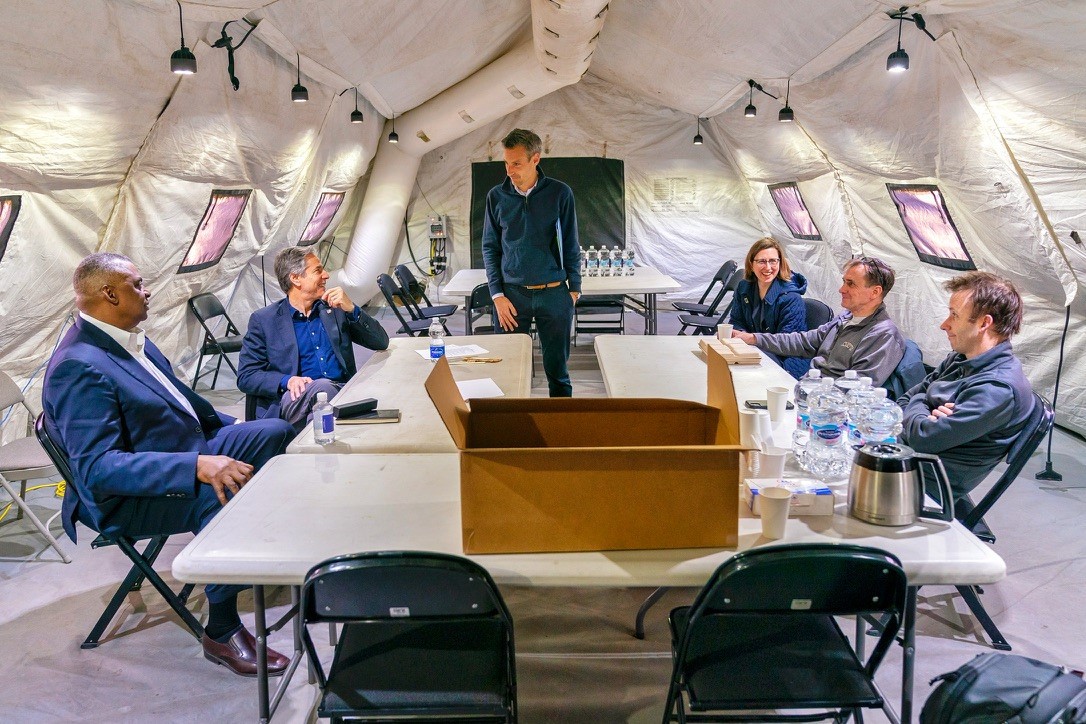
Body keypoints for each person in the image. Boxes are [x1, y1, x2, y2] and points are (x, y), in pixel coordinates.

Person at [43, 252, 296, 677]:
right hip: (123, 496)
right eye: (138, 285)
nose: (147, 291)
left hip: (181, 445)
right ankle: (222, 630)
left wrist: (232, 434)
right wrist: (197, 465)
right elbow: (99, 469)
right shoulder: (78, 366)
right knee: (217, 494)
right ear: (110, 294)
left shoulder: (126, 336)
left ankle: (254, 544)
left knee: (273, 432)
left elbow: (185, 402)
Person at [897, 271, 1034, 503]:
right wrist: (923, 405)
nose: (944, 324)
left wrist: (921, 399)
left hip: (922, 483)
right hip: (909, 457)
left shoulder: (997, 388)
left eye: (954, 315)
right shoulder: (961, 358)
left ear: (984, 323)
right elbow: (903, 399)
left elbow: (922, 437)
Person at [238, 247, 389, 426]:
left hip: (342, 391)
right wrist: (287, 381)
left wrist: (352, 309)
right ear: (295, 278)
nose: (326, 275)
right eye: (318, 270)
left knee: (320, 417)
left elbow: (380, 341)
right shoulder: (264, 320)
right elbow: (247, 376)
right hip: (295, 399)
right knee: (322, 388)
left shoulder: (335, 309)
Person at [482, 128, 581, 397]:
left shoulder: (560, 193)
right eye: (506, 163)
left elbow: (571, 242)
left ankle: (561, 431)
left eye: (517, 163)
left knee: (558, 373)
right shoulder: (496, 197)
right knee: (509, 371)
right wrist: (497, 295)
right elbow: (490, 248)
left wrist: (574, 289)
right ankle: (515, 431)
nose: (510, 170)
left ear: (535, 159)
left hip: (554, 293)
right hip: (511, 298)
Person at [733, 256, 905, 386]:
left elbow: (858, 389)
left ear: (875, 292)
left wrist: (808, 395)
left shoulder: (883, 335)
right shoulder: (845, 318)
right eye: (844, 282)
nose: (841, 289)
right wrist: (753, 338)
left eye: (851, 284)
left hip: (824, 407)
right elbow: (803, 341)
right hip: (807, 389)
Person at [728, 237, 810, 379]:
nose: (768, 267)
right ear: (751, 264)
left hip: (786, 361)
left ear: (780, 263)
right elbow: (736, 320)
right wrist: (741, 335)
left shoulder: (791, 298)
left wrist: (751, 340)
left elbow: (787, 343)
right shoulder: (744, 287)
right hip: (754, 350)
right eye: (761, 261)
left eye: (773, 261)